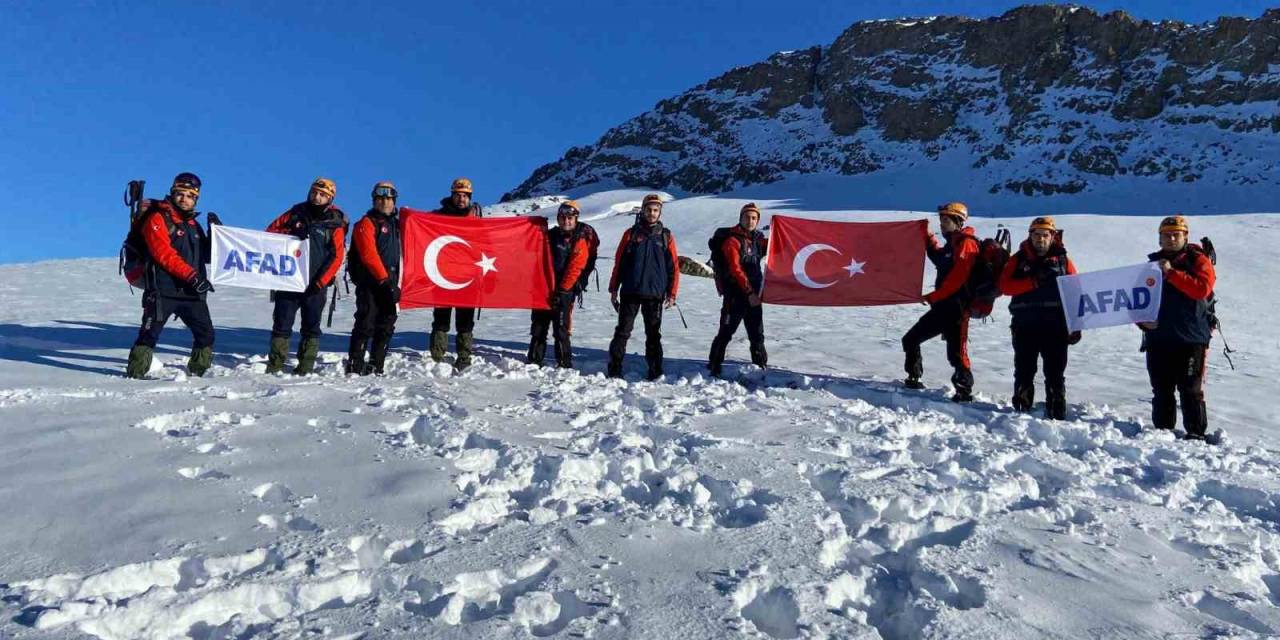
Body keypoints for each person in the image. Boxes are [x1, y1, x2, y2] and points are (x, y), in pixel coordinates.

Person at [125, 172, 218, 378]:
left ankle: (197, 375)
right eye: (180, 193)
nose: (184, 199)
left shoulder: (193, 225)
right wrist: (193, 276)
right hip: (162, 290)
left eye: (190, 195)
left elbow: (206, 256)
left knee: (206, 335)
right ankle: (133, 378)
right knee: (149, 335)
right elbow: (163, 254)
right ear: (172, 193)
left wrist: (215, 232)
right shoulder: (158, 218)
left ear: (196, 199)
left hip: (191, 292)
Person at [1139, 215, 1217, 441]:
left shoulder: (1198, 261)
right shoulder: (1151, 265)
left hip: (1192, 338)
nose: (1171, 238)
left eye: (1176, 234)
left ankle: (1196, 434)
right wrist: (1142, 322)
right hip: (1159, 337)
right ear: (1160, 238)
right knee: (1162, 390)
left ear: (1185, 236)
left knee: (1191, 390)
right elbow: (1137, 300)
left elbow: (1201, 289)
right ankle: (1164, 434)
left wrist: (1171, 273)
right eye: (1166, 235)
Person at [997, 216, 1080, 419]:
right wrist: (1033, 282)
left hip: (1056, 326)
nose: (1040, 239)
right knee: (1024, 370)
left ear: (1053, 236)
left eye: (1045, 235)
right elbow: (1004, 286)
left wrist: (1076, 325)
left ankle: (1057, 414)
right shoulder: (1018, 259)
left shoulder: (1063, 261)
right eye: (1036, 234)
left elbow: (1075, 292)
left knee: (1055, 374)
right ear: (1030, 236)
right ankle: (1021, 412)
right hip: (1025, 325)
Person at [264, 177, 347, 375]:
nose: (317, 197)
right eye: (314, 193)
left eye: (322, 195)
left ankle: (306, 365)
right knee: (282, 322)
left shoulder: (335, 221)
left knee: (311, 326)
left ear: (330, 198)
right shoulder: (295, 213)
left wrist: (321, 282)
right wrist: (290, 232)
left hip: (316, 284)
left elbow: (337, 255)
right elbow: (269, 234)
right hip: (289, 280)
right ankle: (275, 364)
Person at [903, 201, 979, 402]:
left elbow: (957, 278)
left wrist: (932, 297)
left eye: (946, 219)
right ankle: (913, 377)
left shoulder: (966, 244)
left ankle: (964, 391)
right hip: (943, 308)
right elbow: (939, 257)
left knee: (957, 354)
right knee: (910, 339)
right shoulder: (951, 245)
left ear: (958, 221)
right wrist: (927, 236)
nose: (942, 223)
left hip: (957, 310)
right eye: (941, 219)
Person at [607, 193, 679, 380]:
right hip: (630, 291)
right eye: (649, 209)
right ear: (643, 210)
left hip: (655, 294)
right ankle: (614, 368)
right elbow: (619, 263)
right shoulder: (630, 234)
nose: (652, 213)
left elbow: (673, 267)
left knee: (654, 335)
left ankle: (655, 371)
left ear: (660, 212)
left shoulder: (666, 236)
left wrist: (672, 293)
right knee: (622, 332)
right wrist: (614, 288)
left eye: (656, 210)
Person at [346, 181, 401, 375]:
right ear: (374, 200)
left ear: (394, 201)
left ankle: (377, 364)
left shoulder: (397, 225)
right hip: (371, 281)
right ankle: (355, 363)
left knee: (386, 324)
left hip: (391, 280)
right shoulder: (366, 223)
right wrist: (384, 280)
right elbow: (368, 254)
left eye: (388, 199)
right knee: (365, 322)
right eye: (380, 199)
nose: (384, 202)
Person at [427, 178, 482, 370]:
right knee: (441, 317)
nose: (461, 199)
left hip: (468, 277)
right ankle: (437, 355)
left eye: (465, 195)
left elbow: (485, 246)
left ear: (469, 197)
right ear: (452, 195)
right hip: (442, 275)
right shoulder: (438, 216)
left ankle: (464, 356)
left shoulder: (476, 219)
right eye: (458, 194)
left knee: (465, 320)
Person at [707, 202, 768, 376]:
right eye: (747, 217)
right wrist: (748, 292)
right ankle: (714, 364)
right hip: (736, 295)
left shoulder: (757, 240)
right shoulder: (732, 241)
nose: (750, 221)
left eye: (754, 218)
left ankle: (760, 366)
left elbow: (776, 246)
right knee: (726, 331)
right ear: (740, 218)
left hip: (754, 295)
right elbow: (735, 269)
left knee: (757, 333)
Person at [527, 200, 590, 368]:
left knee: (561, 329)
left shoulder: (579, 240)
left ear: (576, 219)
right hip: (543, 289)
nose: (566, 221)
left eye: (570, 218)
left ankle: (564, 362)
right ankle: (534, 359)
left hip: (564, 291)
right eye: (563, 218)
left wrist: (562, 290)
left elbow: (576, 267)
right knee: (539, 326)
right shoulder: (550, 235)